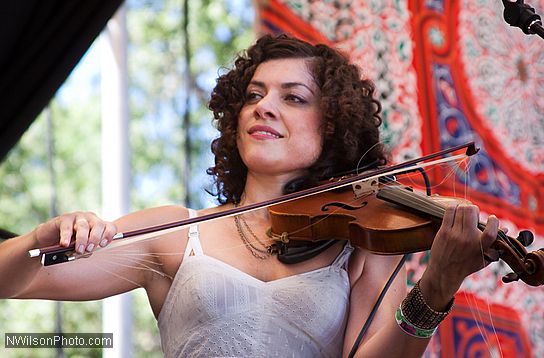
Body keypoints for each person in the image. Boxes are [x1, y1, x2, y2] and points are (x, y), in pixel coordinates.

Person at [0, 34, 500, 357]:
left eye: (293, 98)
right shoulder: (179, 231)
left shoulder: (362, 243)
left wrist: (434, 289)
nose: (264, 108)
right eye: (254, 96)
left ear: (332, 126)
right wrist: (39, 239)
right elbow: (11, 282)